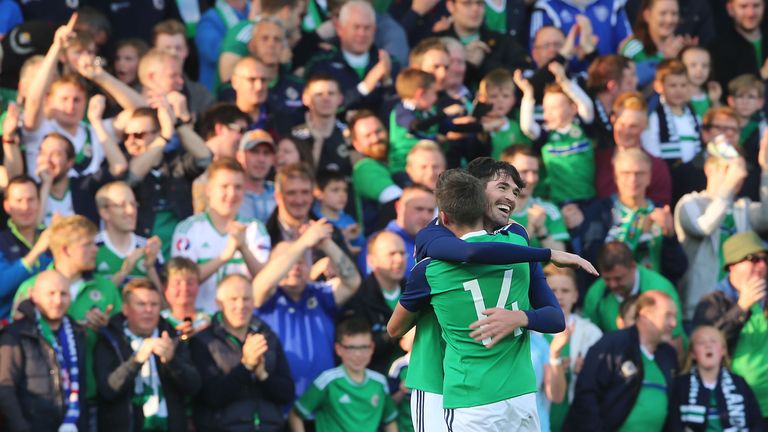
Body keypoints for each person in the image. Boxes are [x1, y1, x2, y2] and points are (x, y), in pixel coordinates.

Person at [390, 169, 556, 431]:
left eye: (515, 191)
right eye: (501, 188)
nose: (510, 198)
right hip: (436, 377)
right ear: (478, 192)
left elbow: (555, 317)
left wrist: (522, 316)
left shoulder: (516, 239)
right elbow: (468, 250)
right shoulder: (434, 239)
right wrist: (548, 254)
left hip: (487, 390)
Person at [253, 219, 361, 397]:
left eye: (302, 260)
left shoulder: (320, 293)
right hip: (277, 400)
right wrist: (303, 242)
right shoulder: (266, 297)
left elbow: (352, 282)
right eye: (290, 260)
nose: (296, 266)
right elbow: (260, 286)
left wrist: (325, 243)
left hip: (321, 403)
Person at [675, 137, 768, 319]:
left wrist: (766, 169)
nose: (736, 176)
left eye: (739, 171)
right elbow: (705, 227)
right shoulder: (690, 203)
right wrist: (728, 187)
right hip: (696, 308)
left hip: (739, 306)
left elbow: (766, 218)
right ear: (709, 169)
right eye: (727, 169)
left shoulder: (743, 207)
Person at [94, 278, 201, 432]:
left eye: (154, 304)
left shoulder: (173, 337)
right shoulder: (109, 340)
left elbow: (194, 386)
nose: (148, 310)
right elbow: (108, 390)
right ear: (126, 309)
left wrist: (172, 361)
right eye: (141, 304)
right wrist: (137, 360)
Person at [190, 274, 294, 432]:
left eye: (246, 299)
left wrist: (263, 376)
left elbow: (287, 393)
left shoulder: (268, 337)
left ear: (253, 302)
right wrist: (246, 366)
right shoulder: (203, 341)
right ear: (219, 304)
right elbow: (211, 396)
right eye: (233, 299)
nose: (241, 305)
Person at [565, 290, 679, 431]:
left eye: (675, 316)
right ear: (645, 314)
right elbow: (587, 396)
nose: (674, 323)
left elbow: (673, 408)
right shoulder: (612, 345)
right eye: (668, 316)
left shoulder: (669, 355)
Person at [172, 157, 271, 313]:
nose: (231, 194)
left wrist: (244, 248)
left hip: (243, 324)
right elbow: (183, 283)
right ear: (209, 190)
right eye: (224, 186)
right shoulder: (188, 229)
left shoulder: (255, 228)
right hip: (201, 325)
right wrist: (225, 256)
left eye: (238, 187)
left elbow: (266, 282)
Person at [0, 270, 89, 432]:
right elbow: (5, 390)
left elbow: (81, 388)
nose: (58, 301)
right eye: (51, 293)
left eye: (64, 294)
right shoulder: (16, 335)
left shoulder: (78, 333)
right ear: (34, 296)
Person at [693, 231, 768, 415]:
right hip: (733, 407)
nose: (762, 265)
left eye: (765, 259)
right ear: (732, 265)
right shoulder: (712, 302)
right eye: (753, 259)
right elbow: (707, 346)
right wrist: (742, 307)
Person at [290, 318, 398, 432]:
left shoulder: (380, 383)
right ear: (338, 349)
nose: (358, 354)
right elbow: (296, 415)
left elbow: (390, 420)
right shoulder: (327, 381)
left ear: (372, 348)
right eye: (351, 348)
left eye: (364, 347)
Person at [517, 62, 596, 205]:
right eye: (546, 109)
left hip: (588, 200)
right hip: (558, 203)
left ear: (573, 109)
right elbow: (527, 127)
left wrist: (565, 83)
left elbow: (587, 106)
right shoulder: (546, 135)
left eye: (554, 108)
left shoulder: (584, 127)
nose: (547, 114)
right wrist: (528, 95)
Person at [582, 241, 686, 348]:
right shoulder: (595, 294)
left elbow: (675, 339)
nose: (613, 285)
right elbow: (590, 337)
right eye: (607, 279)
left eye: (618, 278)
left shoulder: (661, 290)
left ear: (633, 266)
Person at [303, 0, 395, 114]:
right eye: (356, 27)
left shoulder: (389, 63)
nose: (361, 34)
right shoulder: (321, 64)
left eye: (367, 28)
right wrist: (365, 87)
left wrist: (387, 82)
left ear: (374, 30)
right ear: (339, 28)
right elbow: (321, 108)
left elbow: (396, 112)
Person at [667, 325, 764, 431]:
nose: (708, 345)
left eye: (713, 341)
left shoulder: (739, 384)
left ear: (723, 350)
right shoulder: (681, 385)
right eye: (701, 342)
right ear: (692, 353)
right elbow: (673, 424)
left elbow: (757, 423)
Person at [543, 265, 603, 432]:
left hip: (577, 420)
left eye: (565, 290)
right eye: (552, 290)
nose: (559, 296)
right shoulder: (530, 332)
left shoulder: (591, 333)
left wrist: (585, 371)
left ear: (576, 295)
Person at [342, 231, 407, 375]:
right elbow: (357, 348)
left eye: (402, 253)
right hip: (376, 385)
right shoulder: (357, 298)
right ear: (371, 261)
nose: (399, 259)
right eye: (391, 254)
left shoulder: (417, 291)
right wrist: (401, 331)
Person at [594, 91, 672, 206]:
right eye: (622, 124)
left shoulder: (656, 167)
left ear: (645, 125)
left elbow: (660, 209)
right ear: (613, 120)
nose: (626, 132)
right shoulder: (598, 160)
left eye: (633, 126)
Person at [435, 0, 530, 88]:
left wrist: (484, 64)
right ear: (450, 6)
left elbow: (523, 73)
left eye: (479, 3)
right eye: (467, 3)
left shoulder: (502, 42)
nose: (475, 8)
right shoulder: (437, 43)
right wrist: (468, 64)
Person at [0, 176, 53, 319]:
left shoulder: (53, 237)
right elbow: (1, 286)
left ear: (39, 203)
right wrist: (36, 251)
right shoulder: (2, 241)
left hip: (51, 325)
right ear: (7, 206)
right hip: (9, 330)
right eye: (18, 201)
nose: (25, 207)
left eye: (31, 200)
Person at [94, 181, 163, 288]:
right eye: (122, 205)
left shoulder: (149, 249)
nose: (131, 211)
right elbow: (90, 300)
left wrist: (150, 267)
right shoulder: (92, 248)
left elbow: (163, 303)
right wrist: (124, 272)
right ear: (104, 213)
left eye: (133, 204)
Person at [502, 145, 570, 250]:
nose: (531, 179)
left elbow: (561, 262)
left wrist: (541, 230)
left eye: (535, 172)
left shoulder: (548, 209)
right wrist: (531, 227)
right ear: (505, 173)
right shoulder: (492, 211)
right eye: (524, 172)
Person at [290, 74, 351, 176]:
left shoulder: (349, 134)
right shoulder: (295, 137)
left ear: (340, 98)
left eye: (331, 93)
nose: (325, 99)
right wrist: (318, 143)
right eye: (319, 94)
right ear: (306, 99)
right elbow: (298, 178)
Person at [619, 0, 686, 85]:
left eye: (674, 14)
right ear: (647, 15)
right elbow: (630, 85)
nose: (669, 20)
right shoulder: (633, 48)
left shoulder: (681, 47)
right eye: (663, 13)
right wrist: (665, 60)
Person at [709, 0, 768, 94]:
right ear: (730, 9)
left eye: (756, 6)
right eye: (743, 6)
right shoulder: (718, 48)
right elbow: (726, 92)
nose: (751, 13)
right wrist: (762, 75)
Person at [585, 55, 638, 149]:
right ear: (612, 86)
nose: (636, 81)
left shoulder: (622, 112)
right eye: (630, 81)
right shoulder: (587, 119)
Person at [313, 170, 363, 255]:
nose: (342, 195)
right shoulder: (314, 220)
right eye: (335, 190)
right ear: (319, 193)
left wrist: (356, 237)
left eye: (345, 190)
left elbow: (362, 246)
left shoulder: (349, 220)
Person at [160, 257, 210, 337]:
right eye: (177, 283)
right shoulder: (158, 321)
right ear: (165, 287)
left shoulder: (211, 320)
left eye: (190, 283)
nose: (184, 288)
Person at [236, 128, 277, 223]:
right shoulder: (231, 194)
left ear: (273, 159)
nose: (261, 159)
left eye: (266, 153)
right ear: (239, 156)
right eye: (254, 152)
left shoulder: (280, 194)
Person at [681, 46, 722, 118]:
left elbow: (719, 121)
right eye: (693, 65)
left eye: (705, 65)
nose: (699, 70)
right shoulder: (677, 96)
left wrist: (715, 101)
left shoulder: (710, 97)